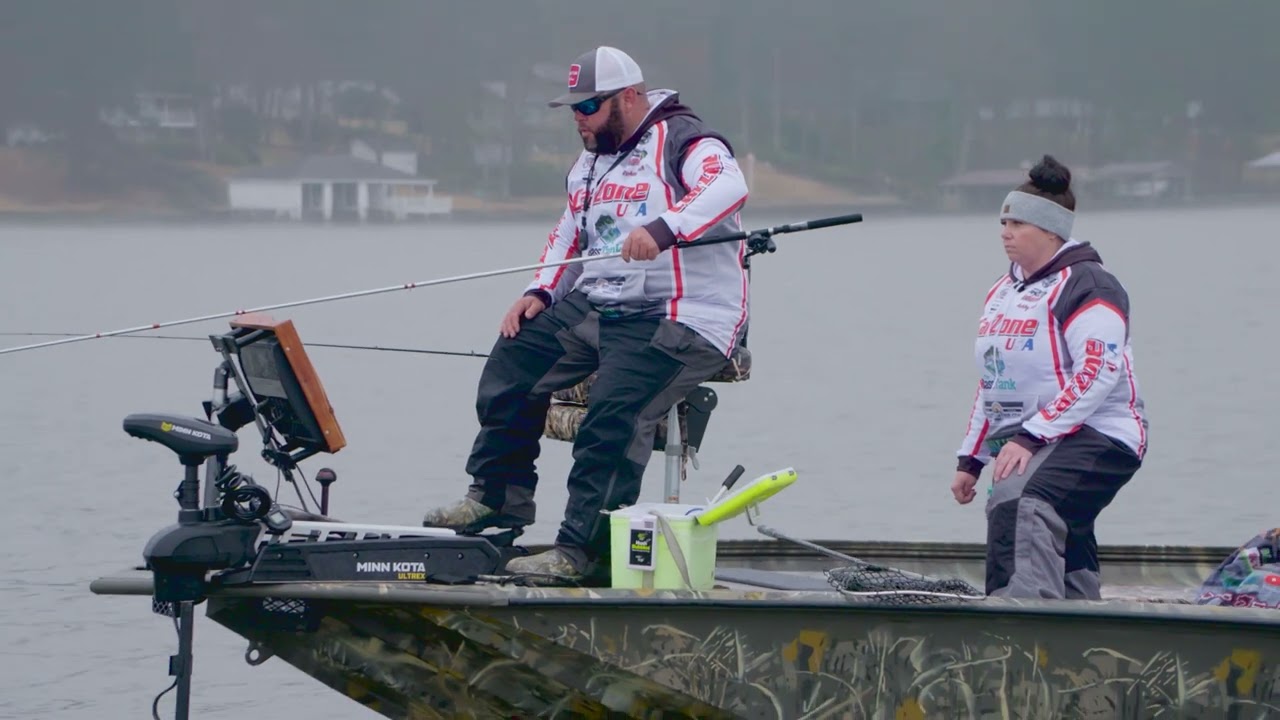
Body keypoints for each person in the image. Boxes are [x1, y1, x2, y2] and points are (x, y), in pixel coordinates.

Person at [421, 46, 750, 580]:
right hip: (602, 305)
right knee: (515, 358)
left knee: (611, 417)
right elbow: (570, 234)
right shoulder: (590, 161)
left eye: (590, 105)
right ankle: (498, 497)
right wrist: (541, 292)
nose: (579, 118)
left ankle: (582, 551)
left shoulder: (686, 139)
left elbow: (728, 186)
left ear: (629, 97)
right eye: (572, 108)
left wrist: (661, 230)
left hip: (683, 314)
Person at [950, 154, 1149, 600]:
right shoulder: (1001, 291)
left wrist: (1031, 436)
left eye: (1018, 223)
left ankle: (1022, 616)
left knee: (1022, 500)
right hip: (1041, 438)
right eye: (1003, 222)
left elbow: (1097, 372)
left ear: (1051, 230)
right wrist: (971, 459)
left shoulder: (1090, 284)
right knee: (1054, 517)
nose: (1005, 233)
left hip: (1105, 432)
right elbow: (993, 382)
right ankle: (1081, 615)